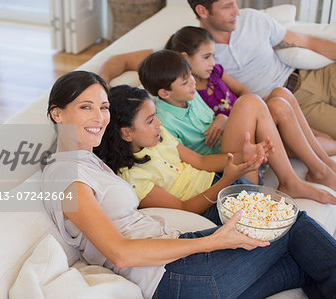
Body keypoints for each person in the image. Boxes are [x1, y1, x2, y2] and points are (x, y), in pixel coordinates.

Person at [42, 70, 336, 299]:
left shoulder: (85, 160)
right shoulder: (68, 177)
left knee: (301, 267)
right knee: (291, 221)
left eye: (103, 107)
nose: (99, 117)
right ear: (57, 113)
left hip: (177, 263)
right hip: (171, 275)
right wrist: (213, 242)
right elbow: (120, 252)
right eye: (86, 107)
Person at [96, 0, 336, 139]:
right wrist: (102, 84)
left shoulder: (254, 19)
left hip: (312, 75)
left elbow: (308, 42)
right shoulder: (186, 51)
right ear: (203, 11)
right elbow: (121, 60)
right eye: (227, 6)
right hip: (293, 102)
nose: (237, 11)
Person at [137, 49, 336, 204]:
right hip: (223, 164)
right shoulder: (165, 121)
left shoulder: (188, 94)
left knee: (280, 96)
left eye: (191, 76)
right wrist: (243, 155)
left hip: (236, 144)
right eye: (185, 81)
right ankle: (292, 181)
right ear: (164, 93)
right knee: (248, 102)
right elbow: (196, 162)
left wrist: (222, 117)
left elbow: (216, 119)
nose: (193, 83)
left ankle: (322, 168)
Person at [94, 85, 273, 224]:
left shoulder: (158, 136)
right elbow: (184, 208)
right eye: (150, 121)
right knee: (284, 223)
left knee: (289, 217)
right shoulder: (133, 178)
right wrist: (226, 180)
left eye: (155, 116)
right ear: (126, 133)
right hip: (211, 206)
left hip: (221, 183)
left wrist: (243, 156)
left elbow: (201, 162)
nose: (159, 123)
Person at [166, 26, 336, 173]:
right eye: (206, 57)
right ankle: (320, 158)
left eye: (213, 56)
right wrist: (224, 118)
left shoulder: (215, 72)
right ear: (185, 58)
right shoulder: (189, 92)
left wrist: (259, 105)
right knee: (290, 126)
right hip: (240, 134)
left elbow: (241, 90)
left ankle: (322, 149)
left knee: (280, 94)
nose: (212, 62)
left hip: (249, 114)